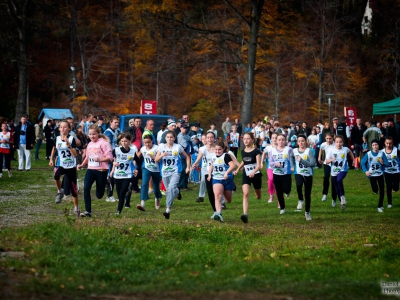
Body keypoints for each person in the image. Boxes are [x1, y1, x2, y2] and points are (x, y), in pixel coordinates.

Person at [77, 125, 113, 217]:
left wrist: (100, 160)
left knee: (99, 195)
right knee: (86, 189)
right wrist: (82, 165)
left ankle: (106, 183)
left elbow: (110, 158)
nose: (92, 136)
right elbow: (88, 157)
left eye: (94, 134)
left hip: (101, 170)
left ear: (98, 134)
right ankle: (88, 211)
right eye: (90, 134)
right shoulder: (89, 144)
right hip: (91, 169)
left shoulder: (104, 143)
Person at [154, 131, 190, 219]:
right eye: (168, 137)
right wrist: (162, 154)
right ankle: (177, 191)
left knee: (170, 189)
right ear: (165, 138)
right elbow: (156, 159)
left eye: (171, 137)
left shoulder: (178, 147)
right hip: (165, 172)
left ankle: (167, 210)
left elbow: (187, 157)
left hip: (176, 171)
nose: (169, 139)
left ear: (174, 138)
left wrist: (188, 167)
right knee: (170, 190)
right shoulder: (161, 146)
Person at [49, 120, 80, 216]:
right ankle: (59, 191)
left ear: (69, 128)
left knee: (73, 190)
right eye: (61, 127)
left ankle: (76, 208)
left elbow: (75, 155)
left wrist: (69, 146)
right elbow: (54, 148)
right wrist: (51, 159)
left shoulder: (71, 139)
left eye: (65, 127)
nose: (63, 129)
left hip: (71, 166)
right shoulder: (57, 138)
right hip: (61, 164)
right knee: (56, 175)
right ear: (59, 129)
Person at [234, 132, 262, 223]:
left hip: (256, 175)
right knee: (245, 194)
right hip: (246, 174)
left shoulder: (256, 151)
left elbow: (259, 165)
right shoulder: (243, 151)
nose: (246, 140)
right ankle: (245, 214)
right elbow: (244, 161)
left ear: (252, 140)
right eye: (244, 139)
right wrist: (238, 169)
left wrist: (253, 172)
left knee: (258, 196)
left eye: (248, 138)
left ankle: (256, 191)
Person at [110, 133, 139, 215]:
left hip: (127, 174)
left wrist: (136, 169)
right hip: (117, 174)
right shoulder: (116, 150)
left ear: (129, 141)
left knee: (122, 193)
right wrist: (113, 166)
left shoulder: (133, 152)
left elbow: (137, 162)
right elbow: (112, 160)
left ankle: (118, 211)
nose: (124, 143)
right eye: (122, 141)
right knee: (119, 194)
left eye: (125, 141)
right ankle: (126, 193)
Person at [208, 140, 236, 222]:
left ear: (223, 149)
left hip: (226, 179)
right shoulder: (213, 157)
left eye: (219, 149)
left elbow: (232, 166)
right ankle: (219, 214)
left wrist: (227, 173)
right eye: (216, 150)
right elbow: (211, 166)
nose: (217, 151)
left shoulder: (226, 156)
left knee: (228, 200)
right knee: (217, 196)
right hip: (216, 179)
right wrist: (210, 175)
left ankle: (230, 189)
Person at [325, 135, 355, 210]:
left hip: (343, 169)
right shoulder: (331, 150)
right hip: (333, 171)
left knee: (339, 180)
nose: (339, 144)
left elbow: (350, 152)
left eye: (340, 142)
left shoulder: (345, 149)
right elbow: (326, 161)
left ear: (343, 143)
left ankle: (342, 197)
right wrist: (331, 159)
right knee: (336, 187)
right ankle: (342, 200)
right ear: (334, 142)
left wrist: (353, 159)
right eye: (337, 142)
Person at [291, 134, 316, 221]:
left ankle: (307, 212)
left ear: (306, 142)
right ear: (297, 142)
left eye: (302, 141)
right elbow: (291, 157)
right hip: (298, 173)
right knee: (298, 184)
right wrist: (292, 165)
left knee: (308, 194)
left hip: (308, 175)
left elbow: (313, 164)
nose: (301, 143)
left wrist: (301, 161)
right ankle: (300, 199)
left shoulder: (309, 151)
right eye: (299, 141)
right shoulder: (294, 150)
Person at [361, 139, 389, 213]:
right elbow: (362, 162)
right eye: (373, 145)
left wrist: (383, 163)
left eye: (376, 145)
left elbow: (387, 164)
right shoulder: (369, 154)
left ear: (379, 145)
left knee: (382, 191)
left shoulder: (382, 153)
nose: (375, 146)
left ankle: (380, 206)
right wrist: (365, 171)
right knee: (375, 190)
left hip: (380, 174)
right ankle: (375, 191)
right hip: (372, 174)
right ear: (371, 146)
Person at [191, 131, 217, 214]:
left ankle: (221, 203)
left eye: (211, 137)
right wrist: (194, 164)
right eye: (208, 137)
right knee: (210, 191)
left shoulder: (218, 148)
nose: (210, 139)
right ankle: (215, 211)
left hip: (217, 171)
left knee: (217, 190)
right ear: (205, 139)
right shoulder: (203, 149)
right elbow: (199, 158)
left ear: (214, 138)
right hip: (206, 171)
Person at [268, 134, 293, 214]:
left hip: (286, 173)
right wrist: (275, 163)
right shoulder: (273, 150)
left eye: (282, 140)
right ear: (276, 141)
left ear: (285, 141)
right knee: (279, 191)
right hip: (276, 173)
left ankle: (287, 192)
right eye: (279, 140)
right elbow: (270, 163)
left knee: (286, 189)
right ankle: (282, 208)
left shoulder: (288, 149)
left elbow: (293, 158)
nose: (281, 141)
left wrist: (292, 166)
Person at [137, 134, 162, 210]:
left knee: (155, 186)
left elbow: (159, 160)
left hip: (156, 169)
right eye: (145, 143)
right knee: (144, 183)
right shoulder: (143, 149)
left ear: (152, 142)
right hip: (146, 168)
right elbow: (137, 156)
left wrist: (153, 157)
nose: (147, 144)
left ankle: (157, 198)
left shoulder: (157, 148)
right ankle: (142, 203)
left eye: (149, 142)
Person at [104, 116, 121, 202]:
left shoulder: (117, 131)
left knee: (114, 174)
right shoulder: (108, 132)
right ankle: (109, 195)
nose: (117, 124)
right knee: (110, 175)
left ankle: (112, 194)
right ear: (110, 122)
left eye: (118, 123)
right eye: (115, 122)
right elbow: (108, 146)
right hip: (111, 155)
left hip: (117, 154)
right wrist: (111, 156)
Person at [318, 132, 336, 204]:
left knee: (333, 180)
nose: (328, 140)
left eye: (330, 138)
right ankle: (324, 194)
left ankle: (334, 198)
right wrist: (319, 158)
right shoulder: (323, 144)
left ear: (333, 138)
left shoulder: (335, 144)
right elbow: (321, 150)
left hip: (335, 164)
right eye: (327, 139)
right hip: (326, 163)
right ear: (325, 138)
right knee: (326, 177)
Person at [382, 137, 399, 209]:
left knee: (396, 188)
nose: (388, 145)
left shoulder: (396, 150)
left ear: (392, 143)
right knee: (388, 187)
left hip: (396, 172)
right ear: (385, 143)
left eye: (390, 143)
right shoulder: (382, 152)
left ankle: (395, 187)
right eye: (387, 143)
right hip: (387, 172)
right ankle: (389, 203)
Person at [261, 132, 278, 203]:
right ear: (271, 139)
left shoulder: (281, 147)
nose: (274, 139)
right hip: (270, 167)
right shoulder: (268, 147)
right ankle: (271, 194)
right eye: (273, 138)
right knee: (270, 180)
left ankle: (279, 201)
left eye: (276, 138)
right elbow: (263, 153)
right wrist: (261, 162)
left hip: (279, 168)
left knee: (278, 183)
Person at [177, 123, 192, 190]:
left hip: (187, 155)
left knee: (187, 170)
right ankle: (181, 185)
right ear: (180, 128)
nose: (185, 129)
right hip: (182, 155)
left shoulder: (186, 135)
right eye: (183, 128)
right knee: (183, 170)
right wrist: (189, 143)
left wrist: (190, 143)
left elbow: (193, 142)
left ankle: (185, 185)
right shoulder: (179, 136)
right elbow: (185, 145)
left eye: (186, 128)